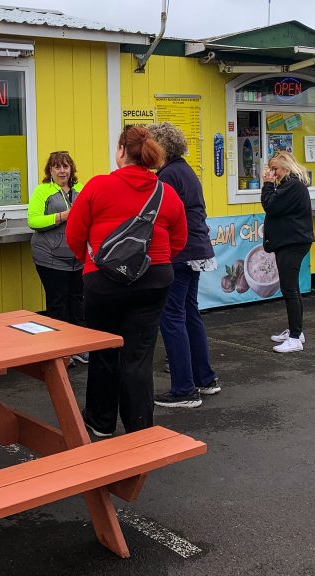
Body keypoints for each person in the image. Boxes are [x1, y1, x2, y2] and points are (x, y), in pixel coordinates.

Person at [65, 126, 187, 436]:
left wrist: (92, 263)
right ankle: (140, 426)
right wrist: (150, 262)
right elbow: (179, 239)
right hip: (154, 278)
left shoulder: (97, 187)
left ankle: (100, 422)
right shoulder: (165, 192)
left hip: (102, 281)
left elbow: (74, 235)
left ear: (121, 151)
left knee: (104, 351)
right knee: (139, 354)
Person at [146, 122, 221, 408]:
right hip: (197, 250)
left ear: (159, 147)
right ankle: (204, 378)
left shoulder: (166, 176)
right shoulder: (185, 170)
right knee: (189, 313)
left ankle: (183, 389)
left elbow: (159, 217)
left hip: (178, 252)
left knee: (172, 317)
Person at [28, 151, 87, 362]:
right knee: (58, 302)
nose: (62, 171)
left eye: (65, 166)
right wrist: (62, 216)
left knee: (77, 301)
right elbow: (33, 221)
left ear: (71, 168)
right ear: (50, 171)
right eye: (57, 167)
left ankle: (79, 345)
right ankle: (61, 351)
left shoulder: (81, 189)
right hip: (50, 256)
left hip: (77, 256)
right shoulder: (42, 191)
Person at [260, 150, 315, 353]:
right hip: (291, 241)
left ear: (286, 167)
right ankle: (296, 331)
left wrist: (266, 185)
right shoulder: (290, 184)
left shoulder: (292, 185)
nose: (272, 173)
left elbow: (270, 206)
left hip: (293, 243)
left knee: (289, 289)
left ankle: (294, 338)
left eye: (274, 169)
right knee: (291, 289)